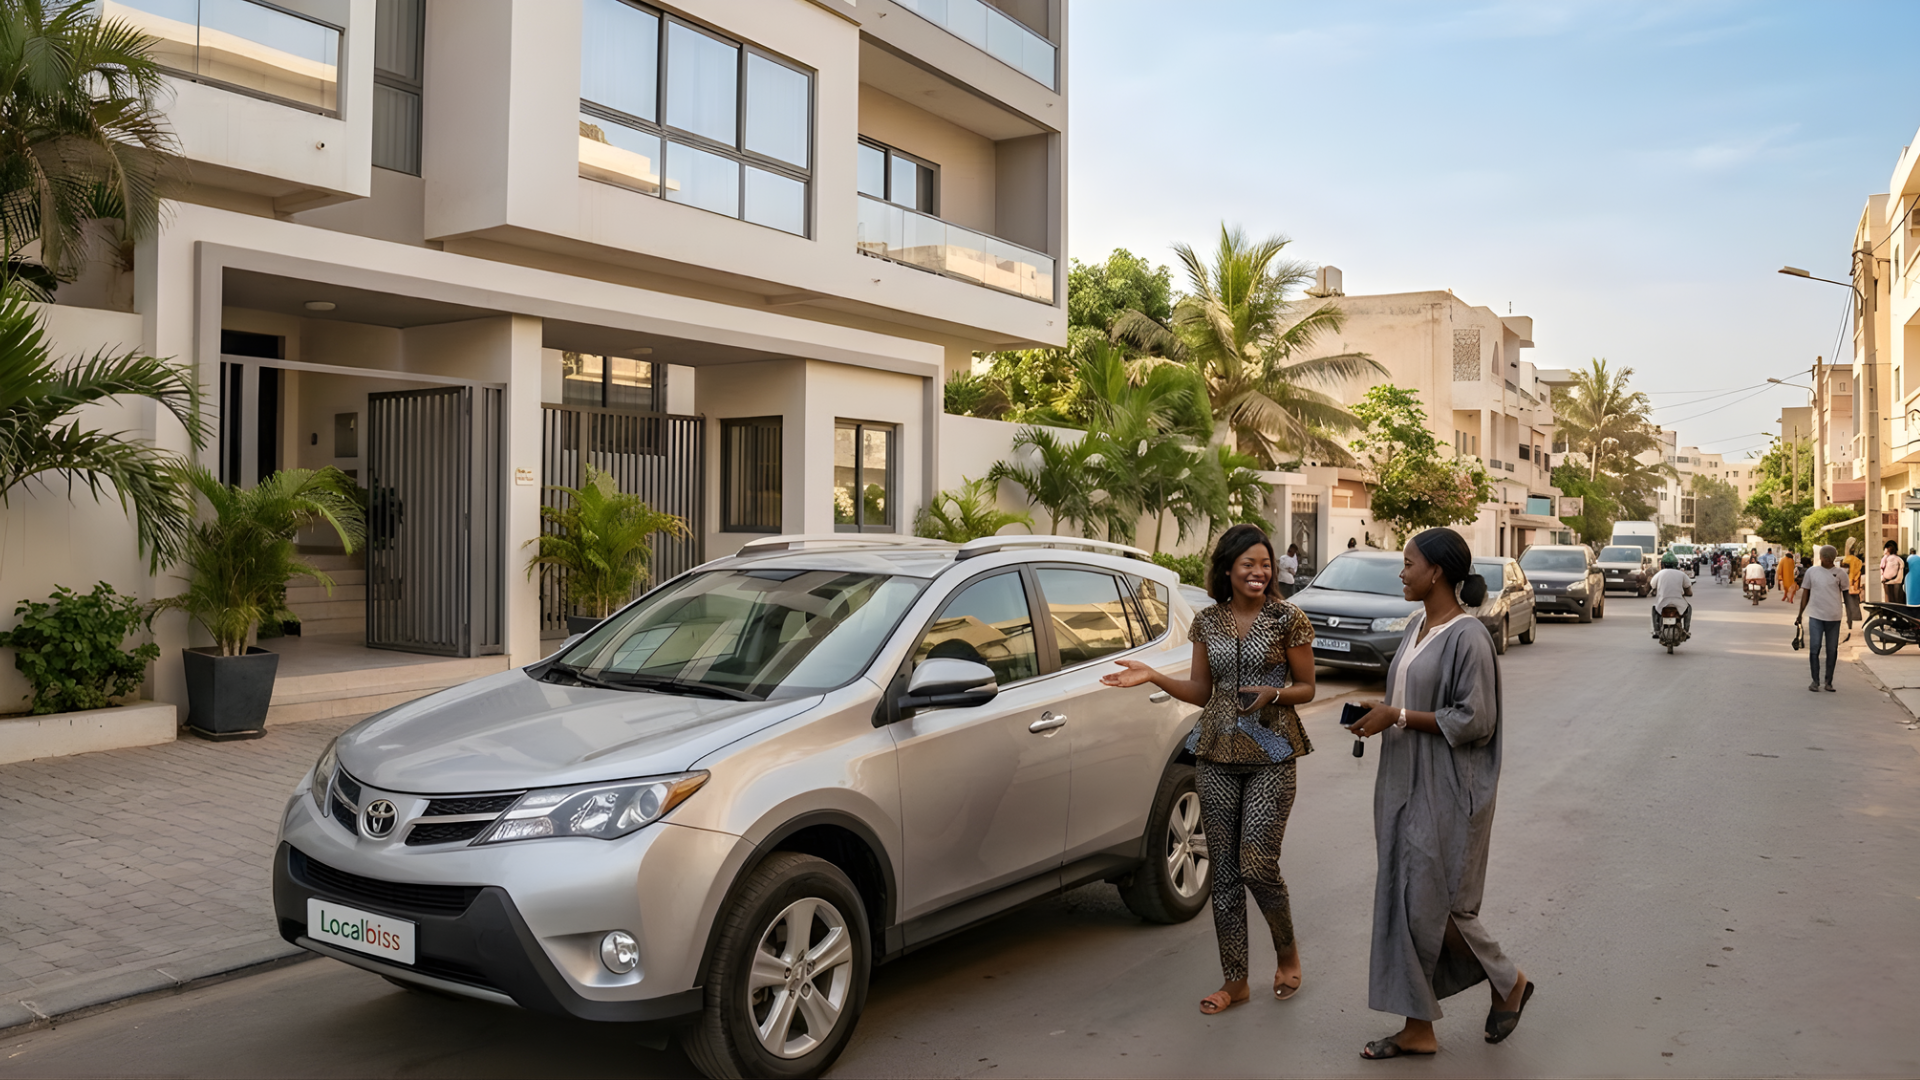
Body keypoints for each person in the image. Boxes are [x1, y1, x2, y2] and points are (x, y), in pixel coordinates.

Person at [1101, 524, 1317, 1014]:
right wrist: (1155, 675)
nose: (1259, 572)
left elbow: (1308, 687)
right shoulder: (1207, 622)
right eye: (1248, 565)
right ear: (1227, 570)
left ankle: (1286, 950)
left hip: (1272, 753)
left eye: (1265, 564)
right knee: (1222, 872)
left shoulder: (1289, 619)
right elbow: (1201, 692)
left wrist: (1274, 694)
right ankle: (1235, 979)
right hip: (1215, 753)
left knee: (1257, 865)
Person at [1347, 528, 1532, 1060]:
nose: (1401, 572)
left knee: (1439, 905)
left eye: (1408, 563)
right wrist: (1377, 711)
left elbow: (1476, 719)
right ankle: (1418, 1028)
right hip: (1403, 781)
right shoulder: (1415, 626)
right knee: (1406, 902)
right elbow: (1404, 699)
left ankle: (1509, 981)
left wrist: (1399, 716)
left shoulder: (1468, 635)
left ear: (1438, 573)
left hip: (1450, 788)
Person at [1797, 546, 1847, 693]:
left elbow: (1847, 595)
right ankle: (1815, 681)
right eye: (1824, 556)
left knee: (1832, 650)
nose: (1826, 559)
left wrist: (1851, 615)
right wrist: (1800, 613)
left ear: (1833, 558)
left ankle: (1828, 682)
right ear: (1821, 557)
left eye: (1829, 557)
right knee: (1814, 648)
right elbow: (1806, 593)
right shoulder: (1812, 572)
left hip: (1834, 616)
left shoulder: (1840, 574)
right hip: (1816, 616)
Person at [1647, 552, 1693, 638]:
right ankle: (1686, 631)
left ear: (1663, 564)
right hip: (1679, 604)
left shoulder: (1660, 574)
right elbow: (1689, 591)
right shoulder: (1682, 574)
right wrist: (1687, 593)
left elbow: (1652, 585)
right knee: (1689, 608)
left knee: (1654, 609)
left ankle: (1656, 631)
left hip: (1662, 603)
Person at [1840, 539, 1864, 628]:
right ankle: (1851, 620)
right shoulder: (1855, 560)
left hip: (1846, 584)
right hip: (1853, 585)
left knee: (1847, 604)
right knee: (1853, 603)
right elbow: (1854, 573)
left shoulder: (1845, 559)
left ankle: (1849, 621)